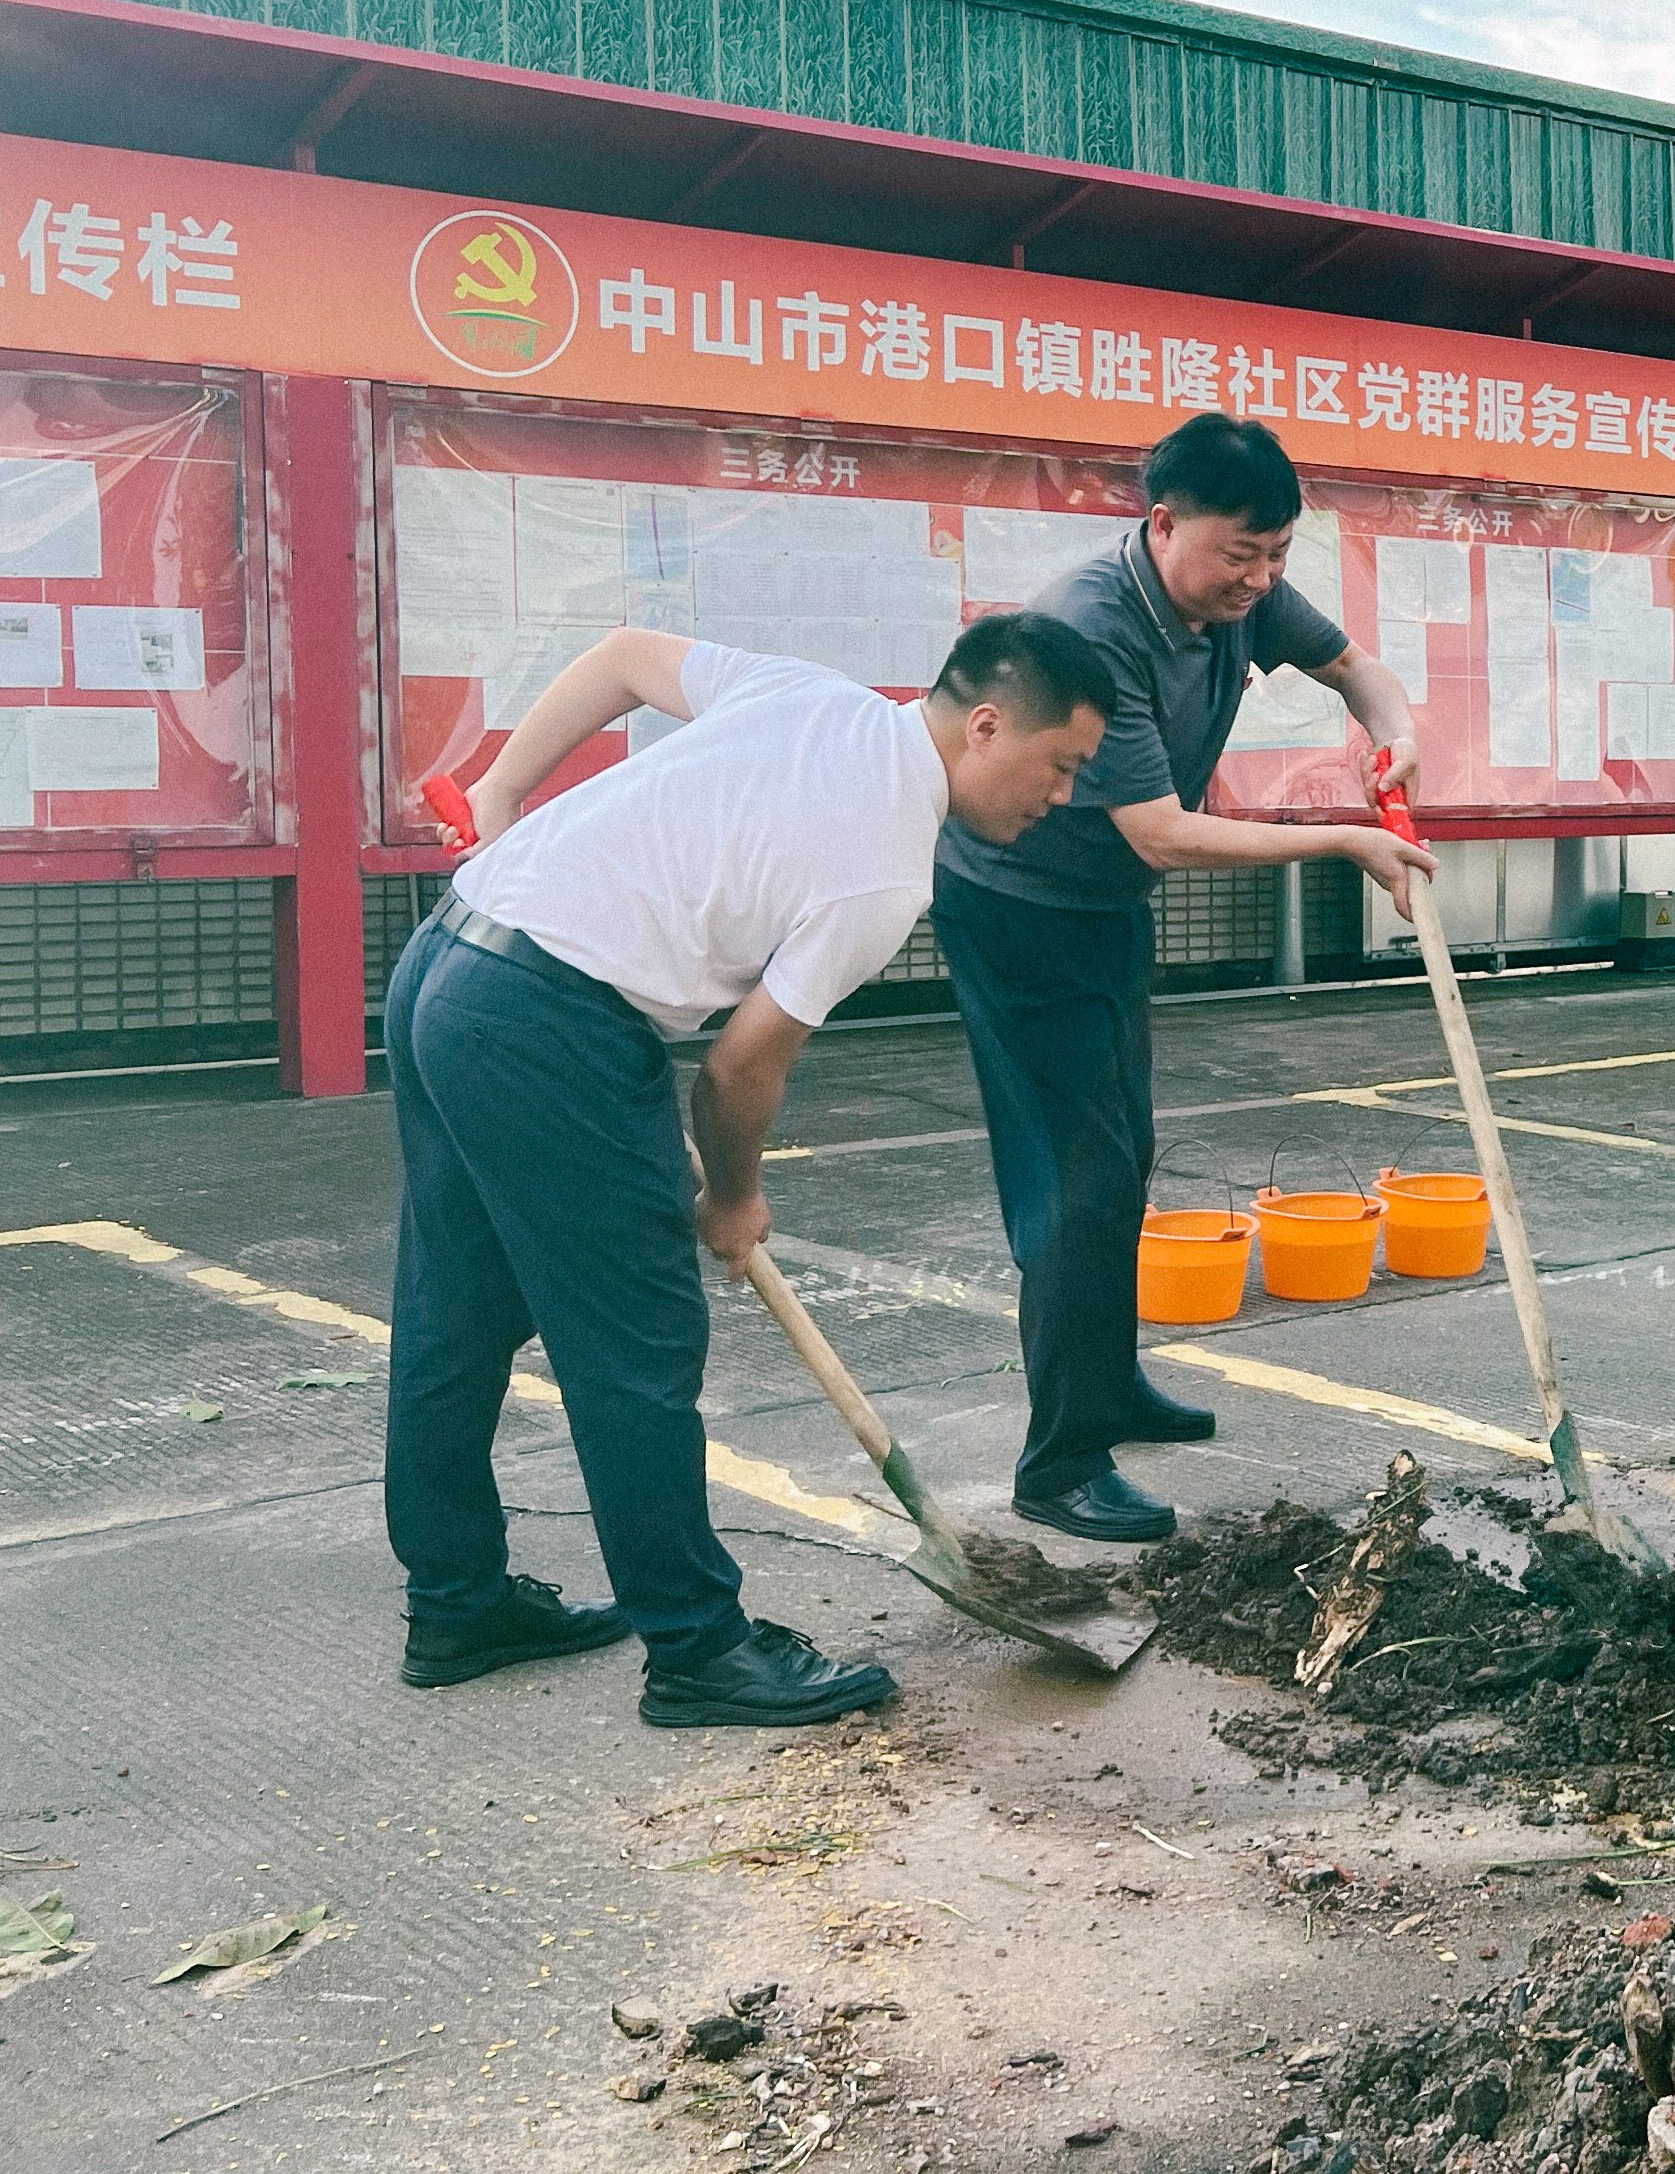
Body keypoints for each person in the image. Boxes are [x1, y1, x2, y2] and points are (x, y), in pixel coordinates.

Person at [387, 615, 1115, 1727]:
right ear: (983, 727)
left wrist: (499, 788)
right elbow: (738, 1069)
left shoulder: (808, 694)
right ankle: (697, 1650)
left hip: (451, 961)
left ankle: (457, 1605)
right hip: (549, 1022)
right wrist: (734, 1197)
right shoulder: (884, 868)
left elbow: (625, 656)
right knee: (635, 1345)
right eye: (1060, 766)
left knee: (459, 1311)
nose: (1060, 796)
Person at [933, 415, 1433, 1546]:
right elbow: (1160, 831)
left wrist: (1394, 730)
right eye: (1237, 556)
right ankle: (1059, 1463)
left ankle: (1107, 1385)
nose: (1258, 582)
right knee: (1075, 1183)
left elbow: (1350, 667)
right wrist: (1343, 838)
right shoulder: (1094, 625)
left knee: (1124, 1157)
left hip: (1102, 907)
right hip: (1017, 910)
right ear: (1162, 525)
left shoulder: (1234, 593)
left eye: (1277, 558)